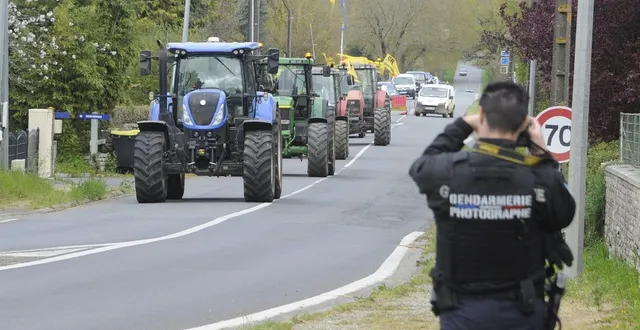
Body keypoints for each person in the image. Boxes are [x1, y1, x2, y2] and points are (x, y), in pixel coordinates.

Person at [408, 81, 576, 330]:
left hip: (461, 313)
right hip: (523, 311)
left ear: (482, 114)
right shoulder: (540, 179)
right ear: (523, 125)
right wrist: (542, 153)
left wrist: (463, 125)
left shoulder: (448, 172)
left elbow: (421, 165)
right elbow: (564, 213)